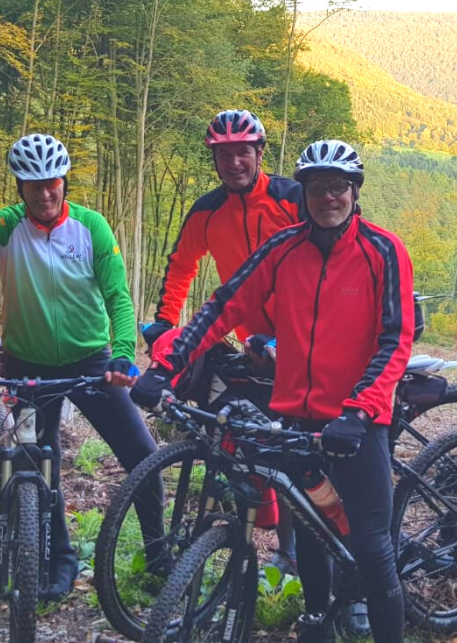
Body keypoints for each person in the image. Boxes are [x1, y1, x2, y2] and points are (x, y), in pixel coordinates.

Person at [132, 140, 414, 643]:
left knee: (372, 547)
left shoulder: (383, 250)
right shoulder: (282, 248)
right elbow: (223, 307)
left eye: (338, 186)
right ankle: (317, 623)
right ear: (303, 193)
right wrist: (166, 365)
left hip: (357, 421)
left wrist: (358, 411)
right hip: (295, 420)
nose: (327, 197)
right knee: (309, 529)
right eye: (316, 187)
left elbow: (395, 340)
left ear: (355, 191)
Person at [0, 133, 161, 601]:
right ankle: (60, 559)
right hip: (28, 365)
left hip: (91, 361)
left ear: (64, 182)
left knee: (144, 455)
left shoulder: (91, 226)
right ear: (21, 188)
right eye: (34, 185)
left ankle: (158, 555)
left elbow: (117, 297)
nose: (45, 193)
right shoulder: (9, 226)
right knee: (37, 466)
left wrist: (122, 352)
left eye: (52, 183)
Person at [144, 109, 304, 577]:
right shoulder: (207, 211)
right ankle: (251, 531)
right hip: (251, 340)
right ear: (214, 160)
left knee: (296, 441)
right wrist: (164, 324)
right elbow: (181, 266)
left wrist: (294, 334)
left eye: (243, 152)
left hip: (303, 336)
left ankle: (293, 550)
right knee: (247, 434)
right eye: (224, 155)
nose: (234, 163)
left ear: (260, 153)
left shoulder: (291, 198)